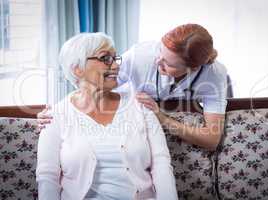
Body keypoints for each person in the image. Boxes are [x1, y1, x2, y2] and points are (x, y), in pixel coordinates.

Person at [38, 23, 227, 150]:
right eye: (160, 53)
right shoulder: (141, 56)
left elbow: (211, 139)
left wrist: (161, 118)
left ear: (193, 68)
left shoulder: (214, 74)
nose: (157, 61)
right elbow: (93, 82)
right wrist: (57, 112)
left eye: (168, 64)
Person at [36, 32, 178, 200]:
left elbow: (161, 165)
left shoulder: (140, 105)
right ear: (78, 69)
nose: (116, 66)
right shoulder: (55, 116)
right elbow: (47, 177)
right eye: (105, 58)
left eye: (114, 58)